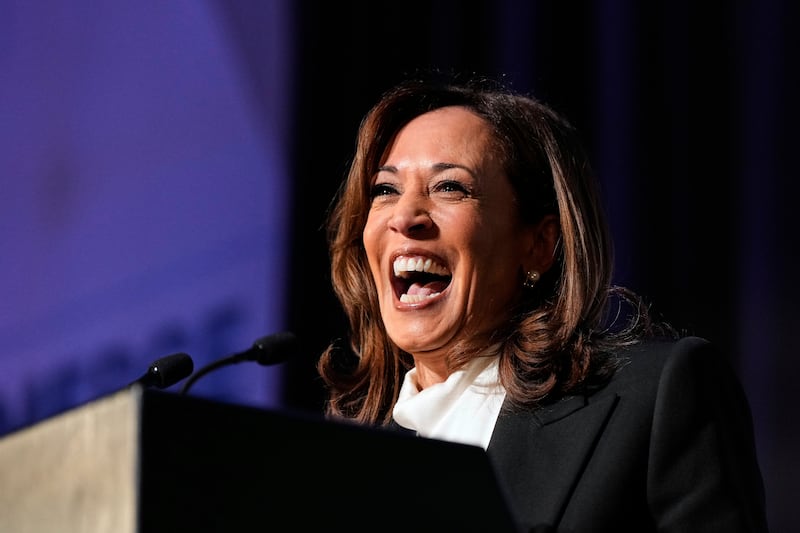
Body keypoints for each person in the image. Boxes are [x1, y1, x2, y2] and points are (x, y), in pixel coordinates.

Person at [315, 72, 768, 532]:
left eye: (450, 187)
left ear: (538, 244)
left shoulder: (655, 396)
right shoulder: (346, 466)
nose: (405, 217)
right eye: (385, 190)